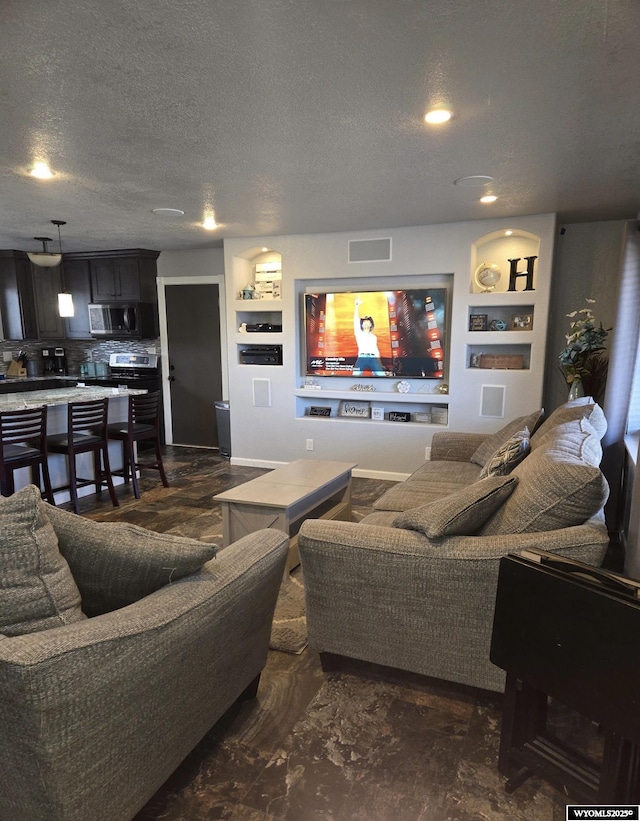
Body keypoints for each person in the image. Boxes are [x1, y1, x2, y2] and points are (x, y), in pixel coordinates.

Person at [352, 299, 386, 376]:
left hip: (373, 358)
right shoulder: (359, 333)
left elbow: (376, 351)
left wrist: (380, 364)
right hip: (362, 357)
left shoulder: (374, 337)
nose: (366, 324)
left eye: (368, 323)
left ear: (371, 324)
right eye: (364, 323)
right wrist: (357, 306)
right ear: (362, 325)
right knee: (355, 375)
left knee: (381, 375)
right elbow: (355, 321)